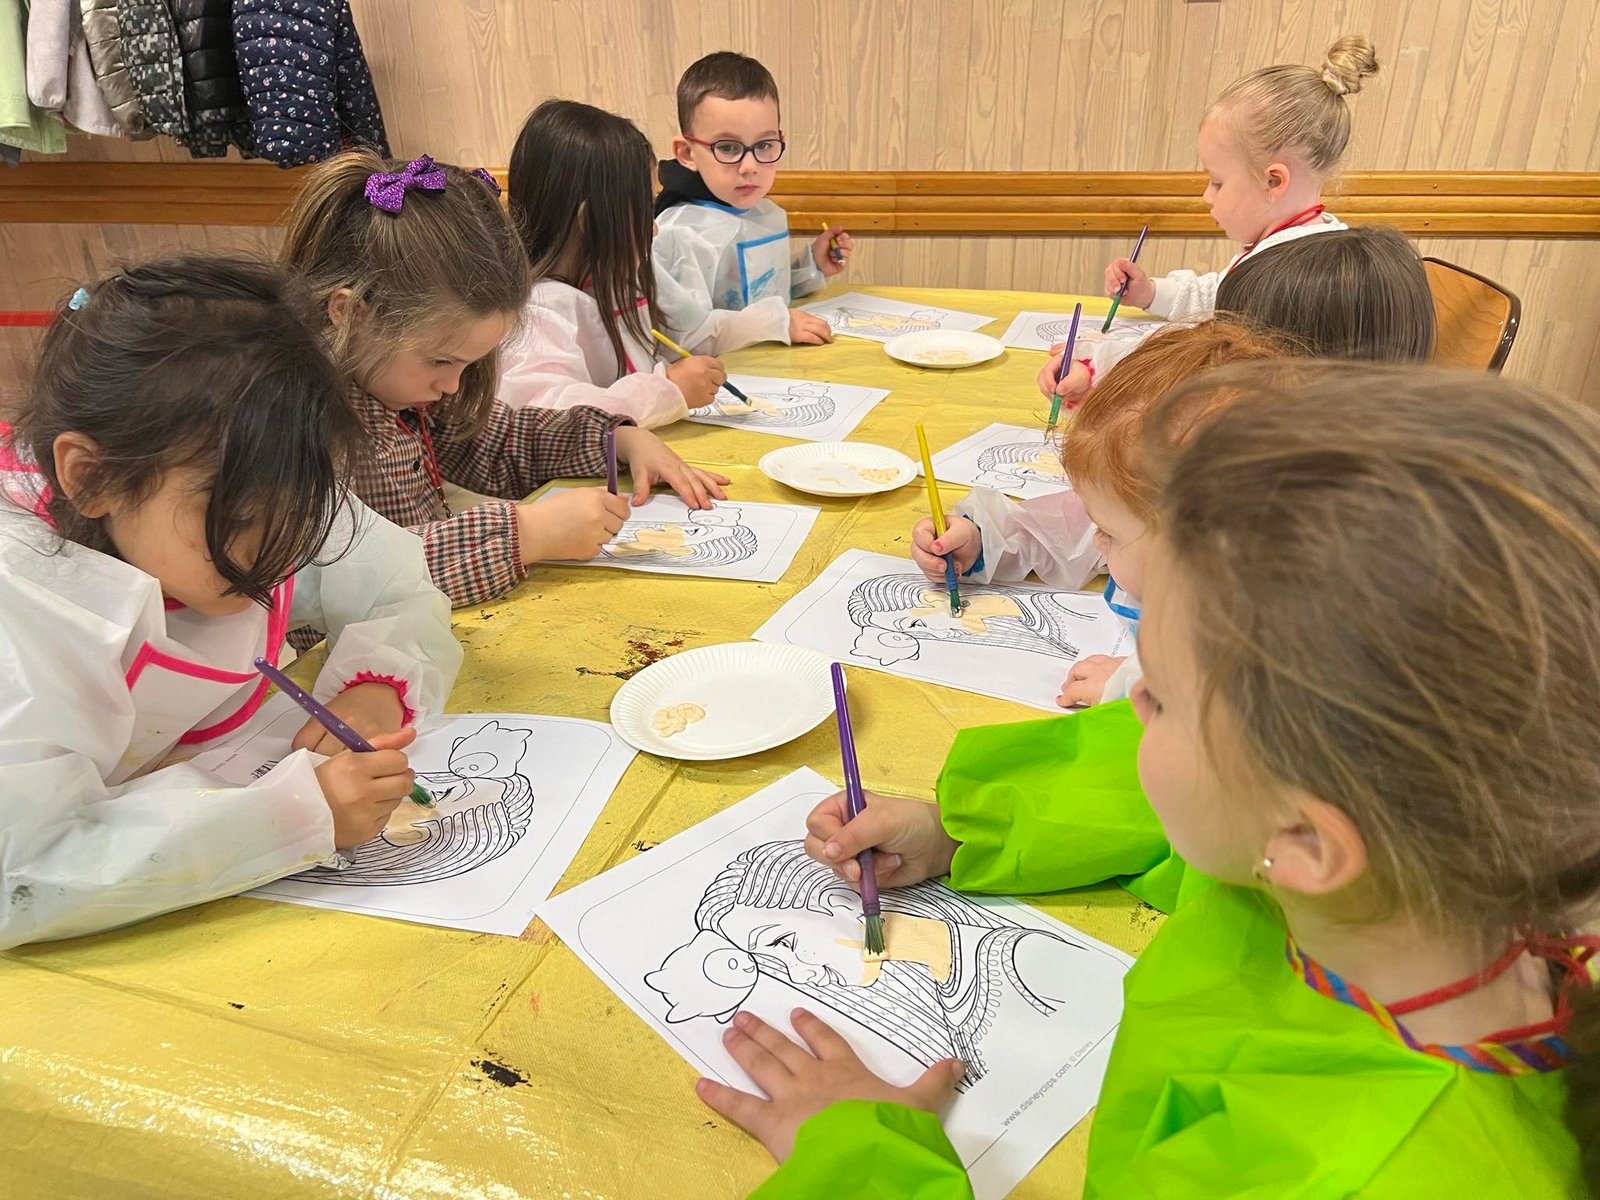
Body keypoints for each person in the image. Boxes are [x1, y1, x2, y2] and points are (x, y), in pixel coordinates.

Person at [706, 364, 1600, 1197]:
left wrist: (863, 1160)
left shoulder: (1337, 1169)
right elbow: (1167, 812)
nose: (1126, 706)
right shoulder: (1409, 881)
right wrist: (963, 825)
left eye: (1159, 697)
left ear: (1306, 841)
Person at [0, 257, 461, 949]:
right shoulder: (29, 604)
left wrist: (375, 691)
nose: (273, 552)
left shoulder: (256, 478)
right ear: (90, 478)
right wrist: (296, 818)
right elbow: (26, 871)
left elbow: (394, 583)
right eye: (239, 518)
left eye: (301, 507)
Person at [280, 149, 729, 608]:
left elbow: (500, 441)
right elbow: (351, 580)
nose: (454, 386)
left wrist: (616, 441)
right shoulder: (303, 436)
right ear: (353, 314)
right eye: (441, 362)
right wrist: (526, 535)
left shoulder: (406, 393)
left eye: (470, 365)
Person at [1042, 36, 1379, 404]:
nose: (1207, 195)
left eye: (1217, 181)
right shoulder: (1302, 240)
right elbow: (1222, 296)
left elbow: (1203, 362)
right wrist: (1152, 293)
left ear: (1273, 181)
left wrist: (1098, 366)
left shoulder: (1296, 280)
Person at [499, 99, 729, 428]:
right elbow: (546, 417)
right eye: (643, 209)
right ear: (590, 220)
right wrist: (669, 388)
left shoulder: (614, 283)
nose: (653, 228)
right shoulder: (540, 310)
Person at [651, 51, 848, 354]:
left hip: (774, 370)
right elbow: (684, 337)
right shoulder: (680, 234)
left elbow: (761, 296)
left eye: (764, 145)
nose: (749, 166)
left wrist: (812, 266)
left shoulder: (765, 213)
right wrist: (776, 323)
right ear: (687, 153)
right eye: (728, 147)